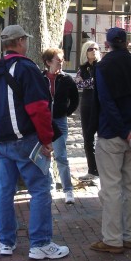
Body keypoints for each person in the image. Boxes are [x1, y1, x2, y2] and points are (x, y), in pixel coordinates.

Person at [0, 24, 69, 260]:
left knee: (5, 191)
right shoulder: (27, 68)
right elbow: (38, 108)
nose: (27, 43)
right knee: (40, 189)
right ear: (19, 42)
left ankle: (6, 242)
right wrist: (47, 140)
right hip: (25, 140)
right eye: (25, 40)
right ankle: (40, 243)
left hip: (1, 141)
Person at [91, 28, 131, 254]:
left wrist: (126, 130)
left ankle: (113, 239)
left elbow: (106, 103)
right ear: (126, 42)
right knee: (130, 185)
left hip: (112, 134)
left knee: (111, 188)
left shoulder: (103, 67)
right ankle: (128, 236)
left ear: (107, 44)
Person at [42, 47, 79, 204]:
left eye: (62, 59)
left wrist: (65, 112)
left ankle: (68, 190)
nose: (61, 62)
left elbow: (75, 99)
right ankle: (50, 187)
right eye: (58, 59)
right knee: (45, 156)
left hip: (59, 121)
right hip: (43, 122)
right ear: (49, 62)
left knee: (61, 156)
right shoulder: (40, 78)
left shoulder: (66, 79)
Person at [75, 41, 101, 181]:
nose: (94, 51)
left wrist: (91, 81)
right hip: (86, 104)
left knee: (103, 137)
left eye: (96, 48)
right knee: (88, 138)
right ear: (85, 52)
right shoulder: (82, 68)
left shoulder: (102, 67)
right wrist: (93, 81)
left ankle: (103, 169)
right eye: (90, 49)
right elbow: (79, 83)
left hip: (100, 104)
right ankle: (92, 170)